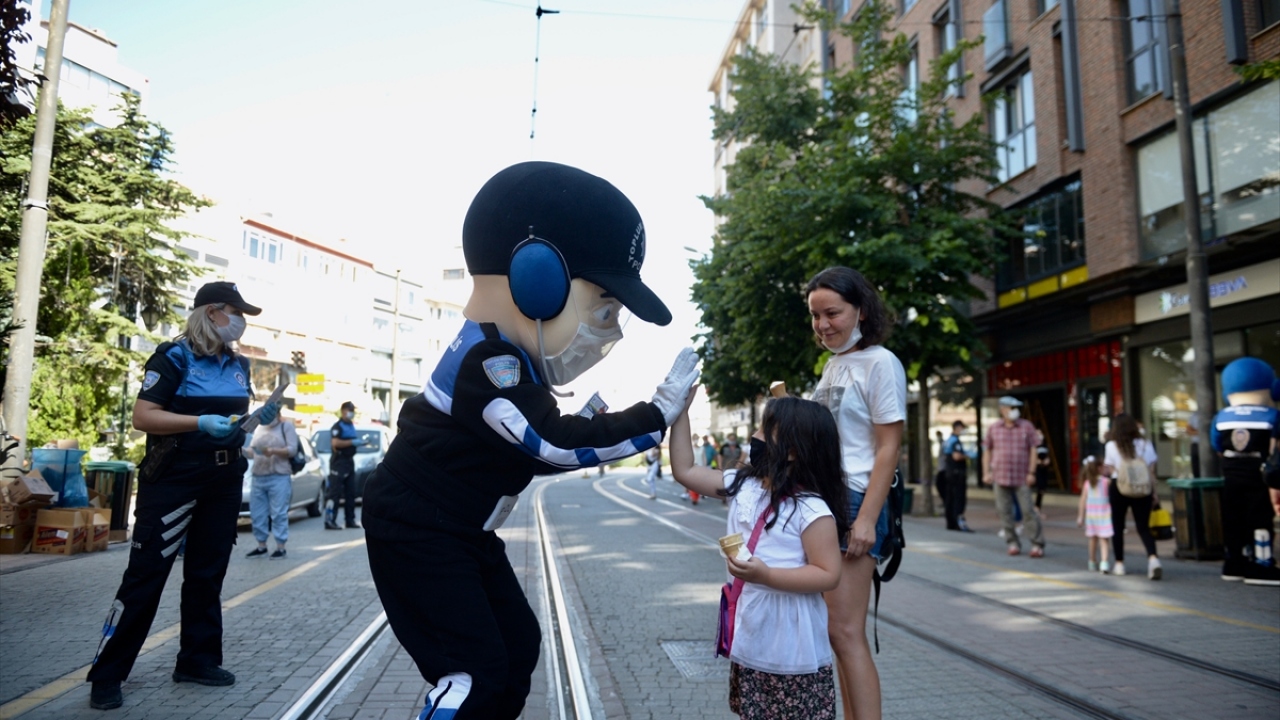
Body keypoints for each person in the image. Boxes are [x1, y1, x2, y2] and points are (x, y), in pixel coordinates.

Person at [362, 162, 700, 719]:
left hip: (458, 531)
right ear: (536, 280)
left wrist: (611, 421)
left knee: (517, 649)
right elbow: (553, 444)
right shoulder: (487, 362)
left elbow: (534, 452)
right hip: (419, 532)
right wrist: (656, 414)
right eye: (604, 308)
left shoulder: (511, 361)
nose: (609, 329)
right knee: (472, 673)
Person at [86, 282, 280, 711]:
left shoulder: (238, 364)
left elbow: (231, 421)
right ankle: (108, 673)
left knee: (207, 576)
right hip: (174, 480)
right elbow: (143, 417)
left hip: (224, 479)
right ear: (212, 313)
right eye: (235, 311)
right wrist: (199, 424)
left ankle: (197, 660)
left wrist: (255, 420)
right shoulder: (173, 357)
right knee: (145, 578)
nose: (240, 322)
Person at [670, 395, 847, 720]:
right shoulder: (744, 485)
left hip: (792, 648)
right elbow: (684, 470)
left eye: (766, 430)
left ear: (792, 450)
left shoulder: (811, 509)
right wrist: (679, 411)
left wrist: (767, 575)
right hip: (751, 635)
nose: (755, 435)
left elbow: (828, 574)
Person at [806, 266, 905, 720]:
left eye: (833, 313)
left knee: (845, 632)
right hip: (827, 501)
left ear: (860, 311)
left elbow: (888, 448)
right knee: (834, 631)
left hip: (855, 500)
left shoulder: (881, 362)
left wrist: (867, 518)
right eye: (815, 316)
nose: (823, 325)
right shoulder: (833, 365)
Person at [1210, 357, 1280, 586]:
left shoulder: (1221, 417)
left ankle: (1234, 563)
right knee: (1260, 519)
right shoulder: (1271, 415)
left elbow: (1217, 445)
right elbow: (1274, 449)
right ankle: (1261, 565)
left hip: (1231, 475)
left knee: (1233, 519)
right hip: (1259, 476)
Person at [1101, 413, 1162, 580]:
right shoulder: (1145, 444)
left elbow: (1109, 469)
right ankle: (1153, 559)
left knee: (1118, 527)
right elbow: (1151, 471)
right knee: (1143, 527)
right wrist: (1154, 493)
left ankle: (1119, 564)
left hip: (1119, 488)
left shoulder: (1111, 446)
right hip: (1143, 488)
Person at [983, 397, 1044, 556]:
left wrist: (1031, 472)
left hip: (1022, 476)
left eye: (1016, 407)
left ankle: (1037, 544)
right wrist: (986, 472)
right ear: (1003, 409)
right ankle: (1012, 543)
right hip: (1000, 476)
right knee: (1004, 511)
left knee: (1028, 510)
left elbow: (1033, 449)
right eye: (1012, 407)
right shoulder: (994, 428)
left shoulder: (1026, 426)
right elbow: (987, 450)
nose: (1015, 410)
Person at [245, 413, 299, 559]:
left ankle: (280, 547)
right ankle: (261, 546)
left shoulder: (285, 426)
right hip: (258, 475)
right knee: (257, 513)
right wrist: (244, 451)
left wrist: (273, 451)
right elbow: (252, 450)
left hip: (279, 475)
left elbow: (292, 449)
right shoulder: (259, 428)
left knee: (278, 513)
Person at [326, 401, 363, 530]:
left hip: (349, 461)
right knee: (335, 493)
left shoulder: (351, 425)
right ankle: (330, 520)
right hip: (339, 462)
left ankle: (350, 520)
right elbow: (335, 443)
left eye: (353, 410)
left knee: (350, 492)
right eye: (349, 410)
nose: (351, 412)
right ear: (343, 411)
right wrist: (352, 442)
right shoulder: (337, 426)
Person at [1076, 456, 1113, 573]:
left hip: (1092, 516)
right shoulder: (1106, 482)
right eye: (1105, 467)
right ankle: (1104, 562)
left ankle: (1092, 561)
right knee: (1104, 540)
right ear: (1099, 468)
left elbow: (1082, 500)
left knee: (1093, 540)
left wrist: (1080, 516)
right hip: (1104, 515)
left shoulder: (1087, 484)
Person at [941, 421, 974, 532]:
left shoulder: (948, 440)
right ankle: (958, 522)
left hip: (949, 472)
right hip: (957, 473)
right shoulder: (955, 441)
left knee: (950, 498)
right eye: (962, 428)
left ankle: (951, 522)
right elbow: (956, 456)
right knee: (958, 498)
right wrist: (968, 455)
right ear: (957, 428)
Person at [1034, 445, 1052, 519]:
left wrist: (1047, 461)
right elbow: (1032, 458)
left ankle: (1037, 508)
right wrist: (1038, 461)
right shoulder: (1034, 446)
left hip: (1044, 470)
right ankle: (1036, 509)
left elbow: (1048, 457)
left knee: (1042, 490)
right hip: (1036, 471)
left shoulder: (1045, 446)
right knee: (1040, 489)